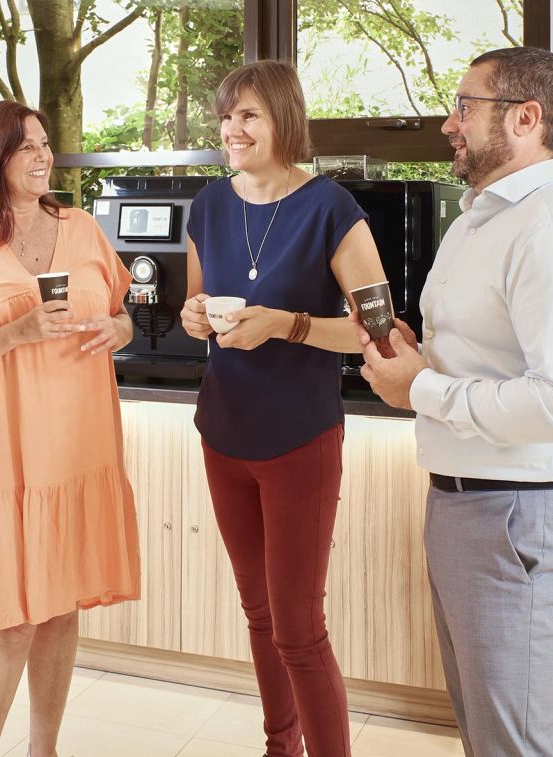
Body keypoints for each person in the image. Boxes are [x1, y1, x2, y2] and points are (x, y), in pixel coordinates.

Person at [356, 46, 553, 757]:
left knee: (515, 745)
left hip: (520, 517)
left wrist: (421, 387)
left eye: (466, 105)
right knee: (487, 736)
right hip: (472, 509)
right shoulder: (482, 218)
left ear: (527, 118)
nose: (450, 122)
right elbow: (491, 357)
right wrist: (419, 353)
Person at [0, 100, 140, 757]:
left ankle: (46, 748)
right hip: (1, 455)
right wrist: (18, 330)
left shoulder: (81, 228)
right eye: (26, 148)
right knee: (10, 623)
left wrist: (114, 328)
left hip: (76, 446)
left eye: (45, 144)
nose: (44, 157)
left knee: (61, 608)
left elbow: (123, 316)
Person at [179, 60, 387, 757]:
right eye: (227, 115)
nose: (232, 129)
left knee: (298, 624)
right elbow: (198, 304)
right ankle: (279, 747)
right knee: (259, 611)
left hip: (300, 436)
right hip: (223, 432)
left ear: (283, 120)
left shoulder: (332, 208)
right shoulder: (207, 206)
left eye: (249, 116)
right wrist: (195, 318)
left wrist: (287, 323)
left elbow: (374, 333)